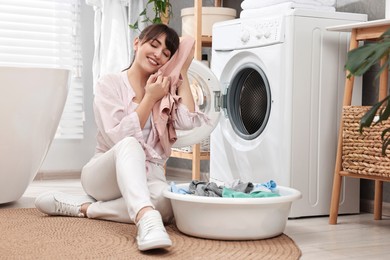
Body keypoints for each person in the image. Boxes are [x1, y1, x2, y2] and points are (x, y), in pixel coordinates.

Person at [34, 24, 207, 251]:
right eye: (153, 45)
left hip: (147, 175)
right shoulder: (110, 84)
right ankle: (145, 218)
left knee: (167, 204)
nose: (158, 54)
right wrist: (149, 99)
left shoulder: (163, 88)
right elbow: (119, 137)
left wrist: (182, 69)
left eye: (166, 54)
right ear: (137, 43)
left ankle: (86, 208)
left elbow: (188, 121)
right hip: (104, 175)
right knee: (130, 143)